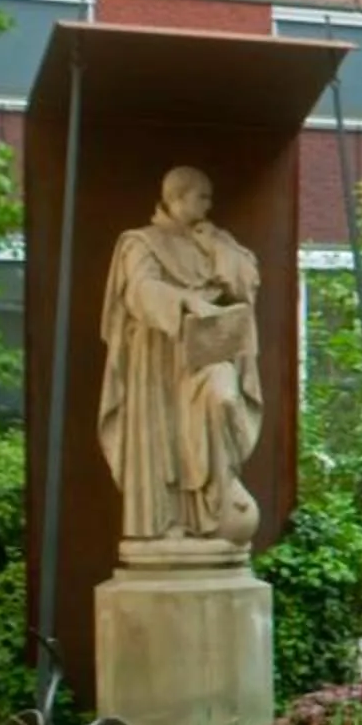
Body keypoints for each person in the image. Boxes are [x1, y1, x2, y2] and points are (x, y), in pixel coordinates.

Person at [98, 166, 264, 547]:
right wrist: (185, 302)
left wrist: (215, 249)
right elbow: (140, 290)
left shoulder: (216, 239)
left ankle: (215, 511)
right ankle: (167, 524)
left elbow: (246, 280)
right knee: (162, 441)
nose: (209, 204)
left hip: (207, 352)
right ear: (176, 197)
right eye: (201, 196)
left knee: (222, 402)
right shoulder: (140, 242)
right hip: (159, 360)